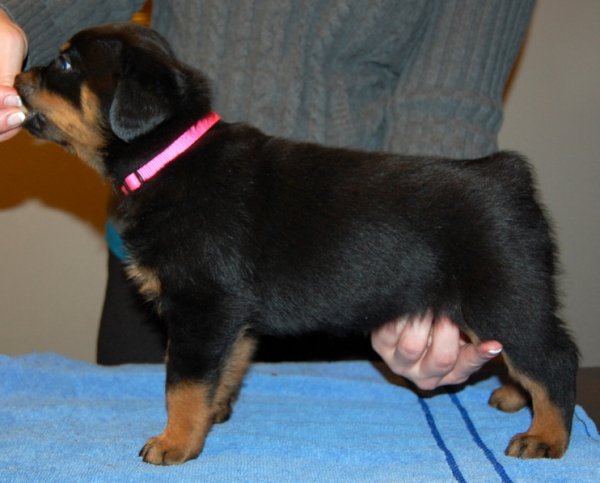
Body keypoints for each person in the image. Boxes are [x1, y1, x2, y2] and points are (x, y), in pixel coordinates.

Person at [0, 0, 533, 390]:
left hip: (352, 266)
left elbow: (448, 99)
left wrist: (430, 254)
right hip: (160, 255)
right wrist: (11, 21)